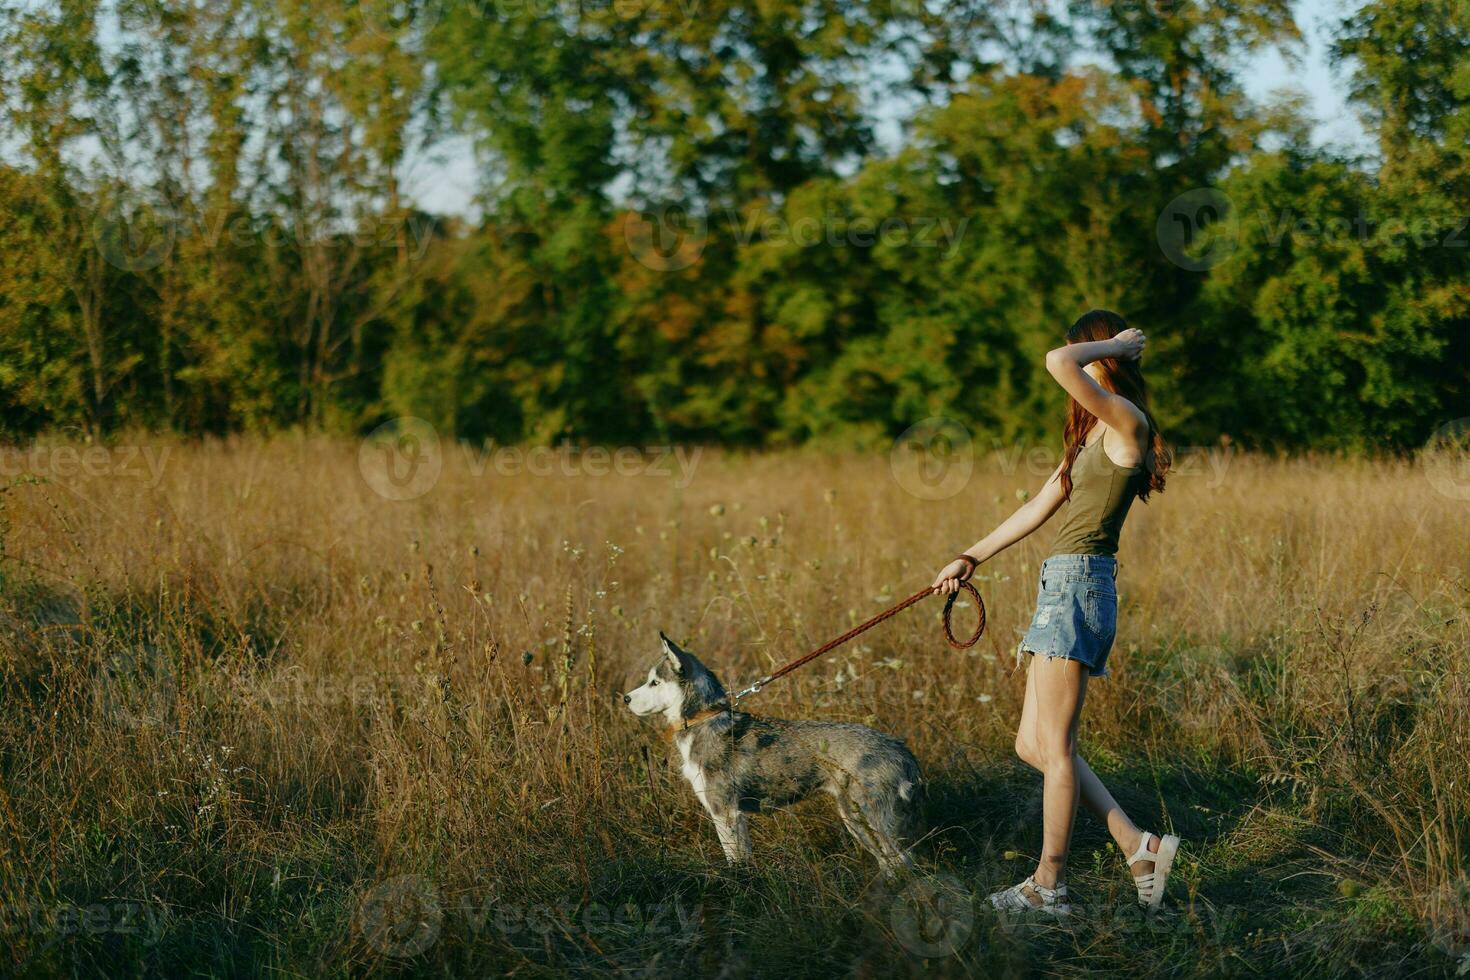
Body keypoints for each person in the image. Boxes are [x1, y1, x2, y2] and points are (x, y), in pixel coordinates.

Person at [931, 309, 1179, 915]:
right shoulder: (1093, 435)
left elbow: (1054, 362)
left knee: (1058, 749)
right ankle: (1136, 842)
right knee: (1032, 745)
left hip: (1081, 586)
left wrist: (1116, 343)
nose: (1080, 365)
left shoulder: (1128, 424)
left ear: (1107, 357)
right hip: (1060, 585)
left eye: (1090, 354)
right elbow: (1039, 505)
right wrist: (971, 556)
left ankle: (1048, 886)